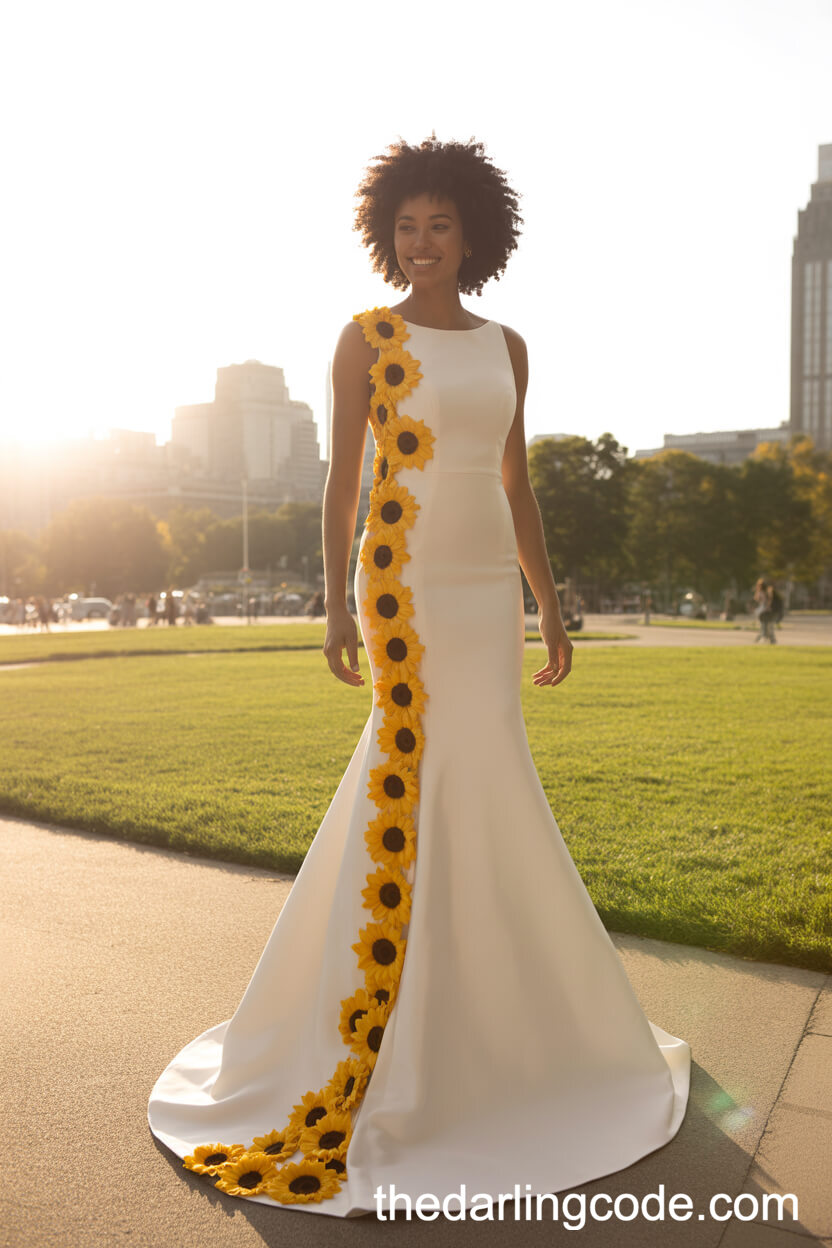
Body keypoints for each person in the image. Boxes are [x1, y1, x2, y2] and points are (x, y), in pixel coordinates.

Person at [147, 134, 691, 1215]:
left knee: (489, 776)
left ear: (475, 234)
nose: (422, 241)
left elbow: (516, 485)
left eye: (441, 224)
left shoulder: (508, 347)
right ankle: (388, 1026)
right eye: (406, 225)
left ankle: (503, 1021)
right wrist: (338, 604)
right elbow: (344, 482)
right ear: (385, 233)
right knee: (414, 774)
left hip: (488, 590)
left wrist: (548, 605)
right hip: (402, 584)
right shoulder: (365, 338)